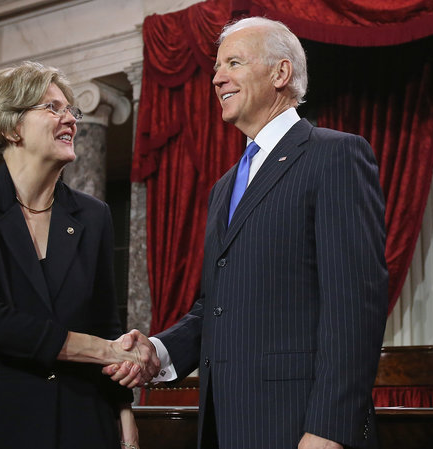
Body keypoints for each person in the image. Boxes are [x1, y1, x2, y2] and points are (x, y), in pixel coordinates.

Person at [107, 17, 388, 449]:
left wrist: (330, 429)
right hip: (226, 424)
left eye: (233, 63)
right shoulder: (224, 187)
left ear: (281, 73)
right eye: (217, 67)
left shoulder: (336, 156)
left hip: (300, 426)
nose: (217, 77)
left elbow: (354, 306)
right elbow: (215, 307)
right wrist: (159, 352)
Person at [0, 61, 159, 449]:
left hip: (81, 419)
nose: (69, 119)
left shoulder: (93, 214)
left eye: (71, 109)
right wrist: (103, 350)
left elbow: (106, 319)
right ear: (10, 126)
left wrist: (124, 413)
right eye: (52, 108)